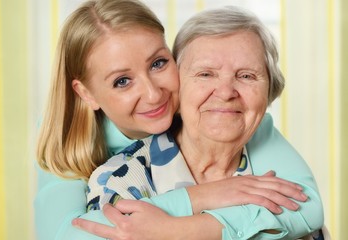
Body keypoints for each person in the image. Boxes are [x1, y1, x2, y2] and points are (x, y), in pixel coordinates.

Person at [34, 1, 322, 239]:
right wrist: (199, 197)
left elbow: (307, 206)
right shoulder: (68, 144)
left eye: (158, 63)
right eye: (122, 81)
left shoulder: (225, 117)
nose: (153, 93)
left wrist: (185, 229)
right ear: (86, 93)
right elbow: (67, 235)